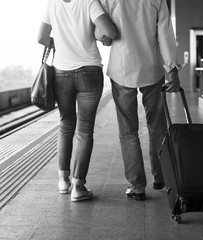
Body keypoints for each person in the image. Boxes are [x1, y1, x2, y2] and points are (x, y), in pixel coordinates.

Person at [99, 0, 182, 201]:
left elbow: (103, 35)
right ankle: (160, 176)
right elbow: (165, 34)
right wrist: (171, 68)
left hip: (121, 69)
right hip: (151, 68)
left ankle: (137, 186)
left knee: (128, 131)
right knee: (157, 126)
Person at [37, 0, 116, 202]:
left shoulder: (52, 4)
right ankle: (78, 186)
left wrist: (59, 43)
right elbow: (111, 32)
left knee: (65, 125)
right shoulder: (89, 2)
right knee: (84, 129)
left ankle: (63, 181)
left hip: (61, 73)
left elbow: (41, 37)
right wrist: (96, 34)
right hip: (89, 71)